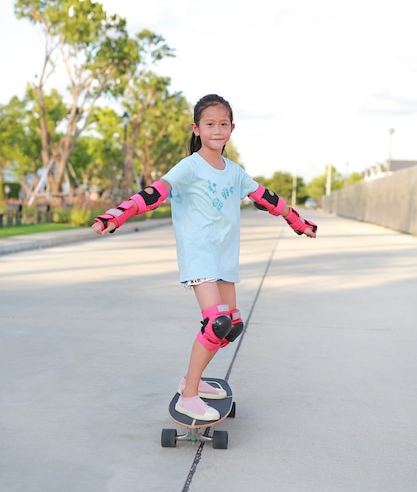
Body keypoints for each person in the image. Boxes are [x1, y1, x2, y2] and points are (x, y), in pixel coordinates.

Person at [92, 94, 317, 421]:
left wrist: (298, 222)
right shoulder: (189, 167)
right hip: (199, 256)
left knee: (231, 325)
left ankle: (191, 379)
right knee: (217, 321)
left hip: (225, 259)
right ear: (196, 128)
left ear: (232, 128)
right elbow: (155, 192)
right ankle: (189, 395)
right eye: (209, 124)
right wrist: (116, 216)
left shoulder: (234, 171)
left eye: (223, 124)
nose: (217, 130)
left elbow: (266, 198)